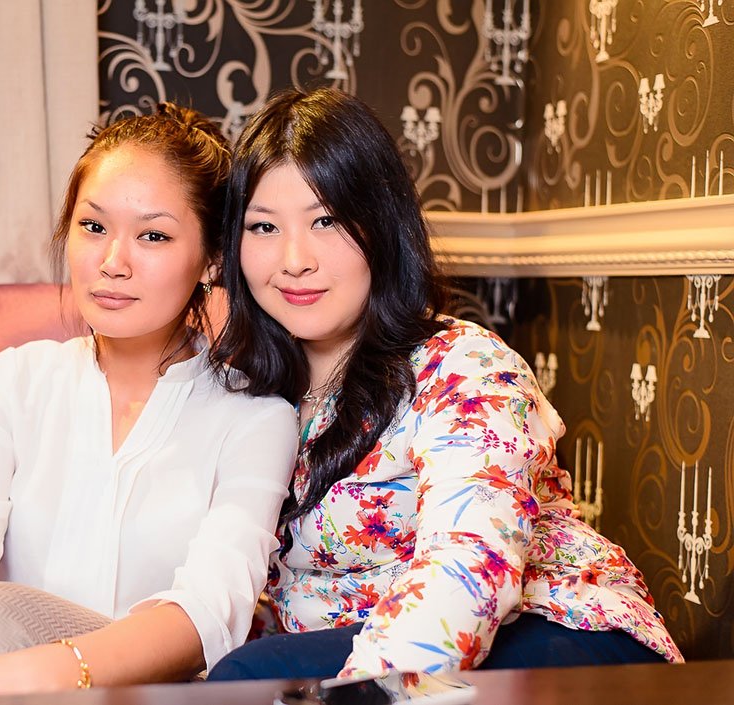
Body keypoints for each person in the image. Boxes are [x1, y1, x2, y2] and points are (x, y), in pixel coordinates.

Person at [206, 87, 683, 681]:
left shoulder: (464, 365)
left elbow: (468, 569)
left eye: (326, 220)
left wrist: (359, 694)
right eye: (263, 227)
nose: (294, 259)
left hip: (559, 634)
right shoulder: (250, 388)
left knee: (252, 677)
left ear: (382, 225)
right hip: (370, 651)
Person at [0, 103, 298, 696]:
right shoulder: (9, 385)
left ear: (212, 260)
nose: (112, 262)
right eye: (93, 227)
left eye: (153, 235)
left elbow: (207, 614)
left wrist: (21, 670)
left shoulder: (255, 419)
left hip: (152, 692)